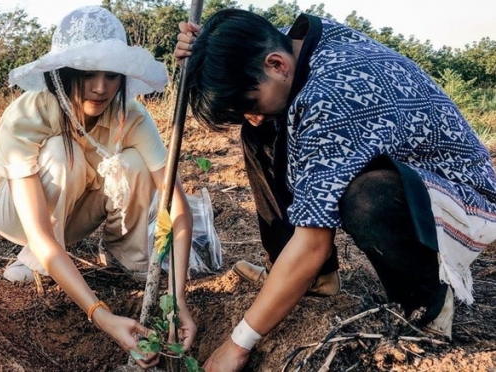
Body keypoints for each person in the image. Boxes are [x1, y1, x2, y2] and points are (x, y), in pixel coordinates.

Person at [174, 8, 496, 371]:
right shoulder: (295, 43)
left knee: (365, 199)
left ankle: (427, 309)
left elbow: (314, 241)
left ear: (277, 64)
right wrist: (210, 48)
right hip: (410, 173)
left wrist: (238, 344)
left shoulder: (331, 96)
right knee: (261, 130)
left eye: (248, 104)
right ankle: (313, 280)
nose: (252, 114)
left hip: (459, 198)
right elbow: (247, 45)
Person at [0, 6, 196, 369]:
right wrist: (101, 314)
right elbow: (42, 232)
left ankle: (131, 259)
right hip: (17, 214)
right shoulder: (27, 116)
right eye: (86, 74)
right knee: (63, 155)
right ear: (64, 72)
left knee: (135, 163)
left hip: (75, 212)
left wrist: (178, 300)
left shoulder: (132, 116)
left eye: (112, 76)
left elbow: (177, 206)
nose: (101, 88)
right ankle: (32, 258)